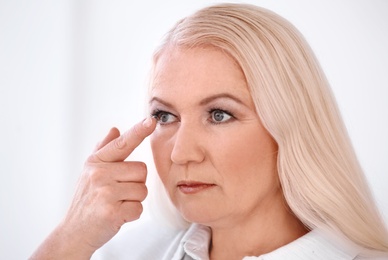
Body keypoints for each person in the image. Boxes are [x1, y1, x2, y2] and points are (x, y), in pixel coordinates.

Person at [31, 3, 388, 260]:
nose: (180, 153)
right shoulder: (123, 252)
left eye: (218, 114)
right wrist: (70, 239)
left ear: (291, 128)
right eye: (165, 116)